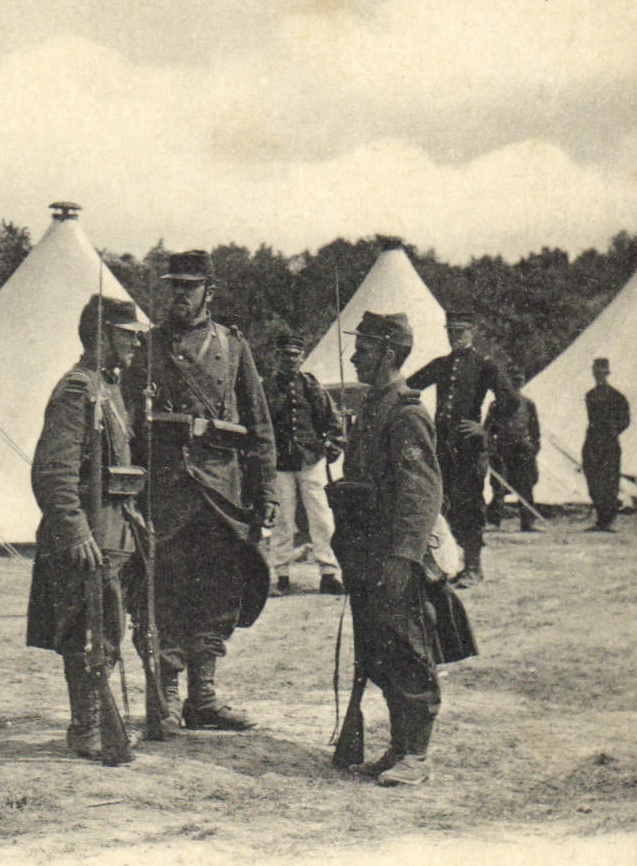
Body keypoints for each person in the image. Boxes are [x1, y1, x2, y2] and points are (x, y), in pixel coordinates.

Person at [121, 250, 276, 731]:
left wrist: (265, 491)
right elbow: (124, 421)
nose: (180, 295)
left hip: (220, 493)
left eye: (189, 286)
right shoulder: (148, 348)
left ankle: (203, 696)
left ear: (210, 291)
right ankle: (165, 698)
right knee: (162, 592)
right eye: (174, 286)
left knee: (218, 592)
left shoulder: (232, 347)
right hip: (166, 492)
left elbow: (259, 423)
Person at [27, 295, 150, 760]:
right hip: (88, 534)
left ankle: (98, 721)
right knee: (86, 630)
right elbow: (52, 471)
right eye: (126, 335)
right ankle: (87, 727)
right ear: (101, 337)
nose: (135, 344)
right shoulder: (78, 390)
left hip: (116, 529)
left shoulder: (110, 388)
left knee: (109, 626)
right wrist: (74, 531)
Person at [333, 312, 444, 786]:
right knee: (377, 650)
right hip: (364, 550)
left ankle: (416, 753)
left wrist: (405, 556)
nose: (355, 355)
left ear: (388, 354)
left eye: (364, 348)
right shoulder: (374, 407)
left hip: (391, 554)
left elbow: (421, 491)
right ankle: (399, 745)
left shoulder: (406, 412)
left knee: (406, 648)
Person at [407, 310, 510, 585]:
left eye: (462, 331)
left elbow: (509, 400)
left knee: (471, 505)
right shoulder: (442, 364)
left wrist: (487, 429)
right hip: (442, 446)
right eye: (451, 331)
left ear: (472, 332)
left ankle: (474, 566)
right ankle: (448, 563)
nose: (456, 336)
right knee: (444, 503)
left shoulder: (484, 365)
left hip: (469, 447)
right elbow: (408, 386)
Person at [263, 332, 344, 594]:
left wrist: (331, 445)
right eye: (286, 355)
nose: (291, 360)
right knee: (282, 519)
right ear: (277, 357)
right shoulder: (266, 388)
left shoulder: (311, 385)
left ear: (302, 358)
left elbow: (332, 421)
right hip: (279, 463)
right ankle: (282, 574)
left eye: (296, 356)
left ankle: (329, 572)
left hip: (310, 459)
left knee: (321, 516)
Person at [485, 363, 542, 532]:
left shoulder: (528, 404)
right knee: (499, 487)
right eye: (513, 380)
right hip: (502, 450)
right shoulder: (497, 405)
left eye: (519, 380)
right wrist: (490, 447)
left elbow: (535, 430)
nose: (516, 383)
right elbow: (487, 428)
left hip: (522, 450)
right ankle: (494, 522)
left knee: (525, 486)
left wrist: (533, 448)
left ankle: (527, 522)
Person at [582, 358, 631, 532]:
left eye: (601, 372)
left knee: (609, 479)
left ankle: (607, 520)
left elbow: (626, 420)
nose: (598, 376)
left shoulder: (617, 396)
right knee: (592, 476)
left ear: (606, 373)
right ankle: (600, 516)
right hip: (593, 440)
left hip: (609, 442)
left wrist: (613, 430)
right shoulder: (590, 395)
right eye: (596, 372)